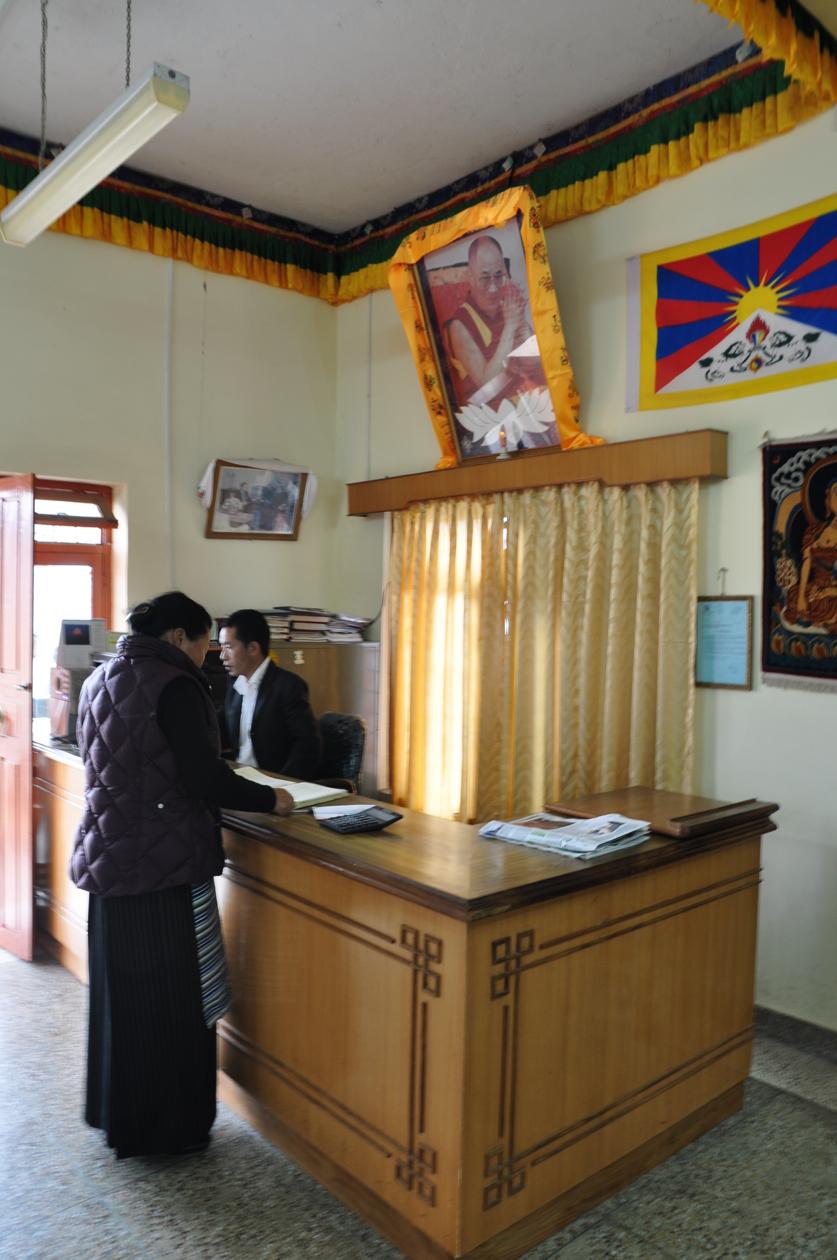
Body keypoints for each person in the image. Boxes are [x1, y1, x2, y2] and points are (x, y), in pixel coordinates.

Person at [70, 591, 294, 1159]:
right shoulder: (173, 683)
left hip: (111, 857)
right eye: (203, 644)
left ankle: (120, 1117)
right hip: (161, 866)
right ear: (178, 638)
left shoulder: (101, 678)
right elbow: (203, 777)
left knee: (123, 998)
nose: (207, 656)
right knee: (171, 1000)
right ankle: (168, 1129)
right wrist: (271, 800)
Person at [218, 608, 321, 778]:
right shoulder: (236, 685)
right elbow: (220, 725)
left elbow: (308, 746)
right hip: (242, 779)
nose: (222, 656)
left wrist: (282, 783)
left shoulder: (289, 686)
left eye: (228, 647)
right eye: (221, 647)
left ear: (253, 648)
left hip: (275, 783)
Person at [445, 235, 529, 405]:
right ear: (470, 277)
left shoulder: (506, 308)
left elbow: (535, 360)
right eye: (484, 278)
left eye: (499, 276)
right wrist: (510, 327)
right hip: (489, 414)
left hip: (523, 400)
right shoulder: (459, 325)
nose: (493, 287)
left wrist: (522, 325)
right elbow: (486, 385)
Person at [785, 478, 837, 632]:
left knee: (829, 604)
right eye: (836, 492)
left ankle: (823, 618)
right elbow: (807, 562)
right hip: (816, 586)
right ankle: (816, 617)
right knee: (793, 596)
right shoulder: (814, 531)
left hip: (834, 590)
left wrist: (829, 591)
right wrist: (802, 596)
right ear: (828, 497)